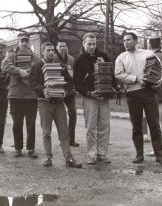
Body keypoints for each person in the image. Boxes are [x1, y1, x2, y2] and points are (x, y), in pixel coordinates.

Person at [114, 32, 162, 166]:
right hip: (133, 94)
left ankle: (160, 155)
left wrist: (159, 81)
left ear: (135, 41)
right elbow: (118, 75)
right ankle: (139, 154)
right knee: (136, 125)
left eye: (128, 40)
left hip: (149, 93)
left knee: (154, 125)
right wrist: (135, 79)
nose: (125, 42)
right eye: (124, 40)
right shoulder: (121, 58)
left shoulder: (147, 54)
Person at [28, 41, 82, 168]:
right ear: (42, 52)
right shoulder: (37, 66)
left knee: (64, 132)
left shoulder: (61, 66)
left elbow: (70, 82)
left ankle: (69, 158)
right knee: (46, 132)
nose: (52, 52)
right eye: (48, 50)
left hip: (59, 103)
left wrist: (65, 91)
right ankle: (48, 157)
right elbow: (31, 81)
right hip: (44, 103)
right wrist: (43, 90)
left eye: (53, 50)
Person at [74, 33, 119, 164]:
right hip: (90, 97)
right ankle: (91, 154)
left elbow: (110, 74)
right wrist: (88, 93)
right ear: (83, 44)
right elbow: (77, 83)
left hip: (104, 96)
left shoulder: (103, 56)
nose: (92, 46)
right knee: (91, 127)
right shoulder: (80, 60)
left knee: (105, 125)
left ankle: (102, 153)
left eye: (94, 44)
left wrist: (114, 88)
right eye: (89, 44)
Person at [1, 33, 38, 158]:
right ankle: (18, 148)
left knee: (31, 124)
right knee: (17, 123)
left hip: (31, 94)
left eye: (26, 41)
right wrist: (19, 71)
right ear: (18, 42)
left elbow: (39, 68)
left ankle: (31, 148)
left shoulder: (35, 56)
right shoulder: (11, 55)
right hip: (16, 94)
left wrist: (29, 72)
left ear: (29, 42)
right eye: (22, 41)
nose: (24, 43)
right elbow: (5, 66)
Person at [55, 41, 79, 147]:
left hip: (70, 90)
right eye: (60, 46)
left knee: (73, 113)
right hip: (58, 89)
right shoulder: (54, 58)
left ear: (66, 47)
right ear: (57, 47)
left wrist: (74, 87)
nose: (62, 48)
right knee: (61, 115)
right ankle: (63, 139)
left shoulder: (71, 59)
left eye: (64, 46)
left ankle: (71, 139)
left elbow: (74, 74)